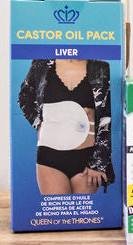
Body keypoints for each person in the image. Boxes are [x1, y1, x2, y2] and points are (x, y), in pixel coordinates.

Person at [18, 59, 114, 195]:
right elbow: (24, 98)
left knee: (80, 215)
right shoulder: (41, 65)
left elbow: (108, 116)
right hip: (49, 157)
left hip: (86, 159)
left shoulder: (101, 68)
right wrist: (39, 125)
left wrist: (98, 161)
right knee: (57, 213)